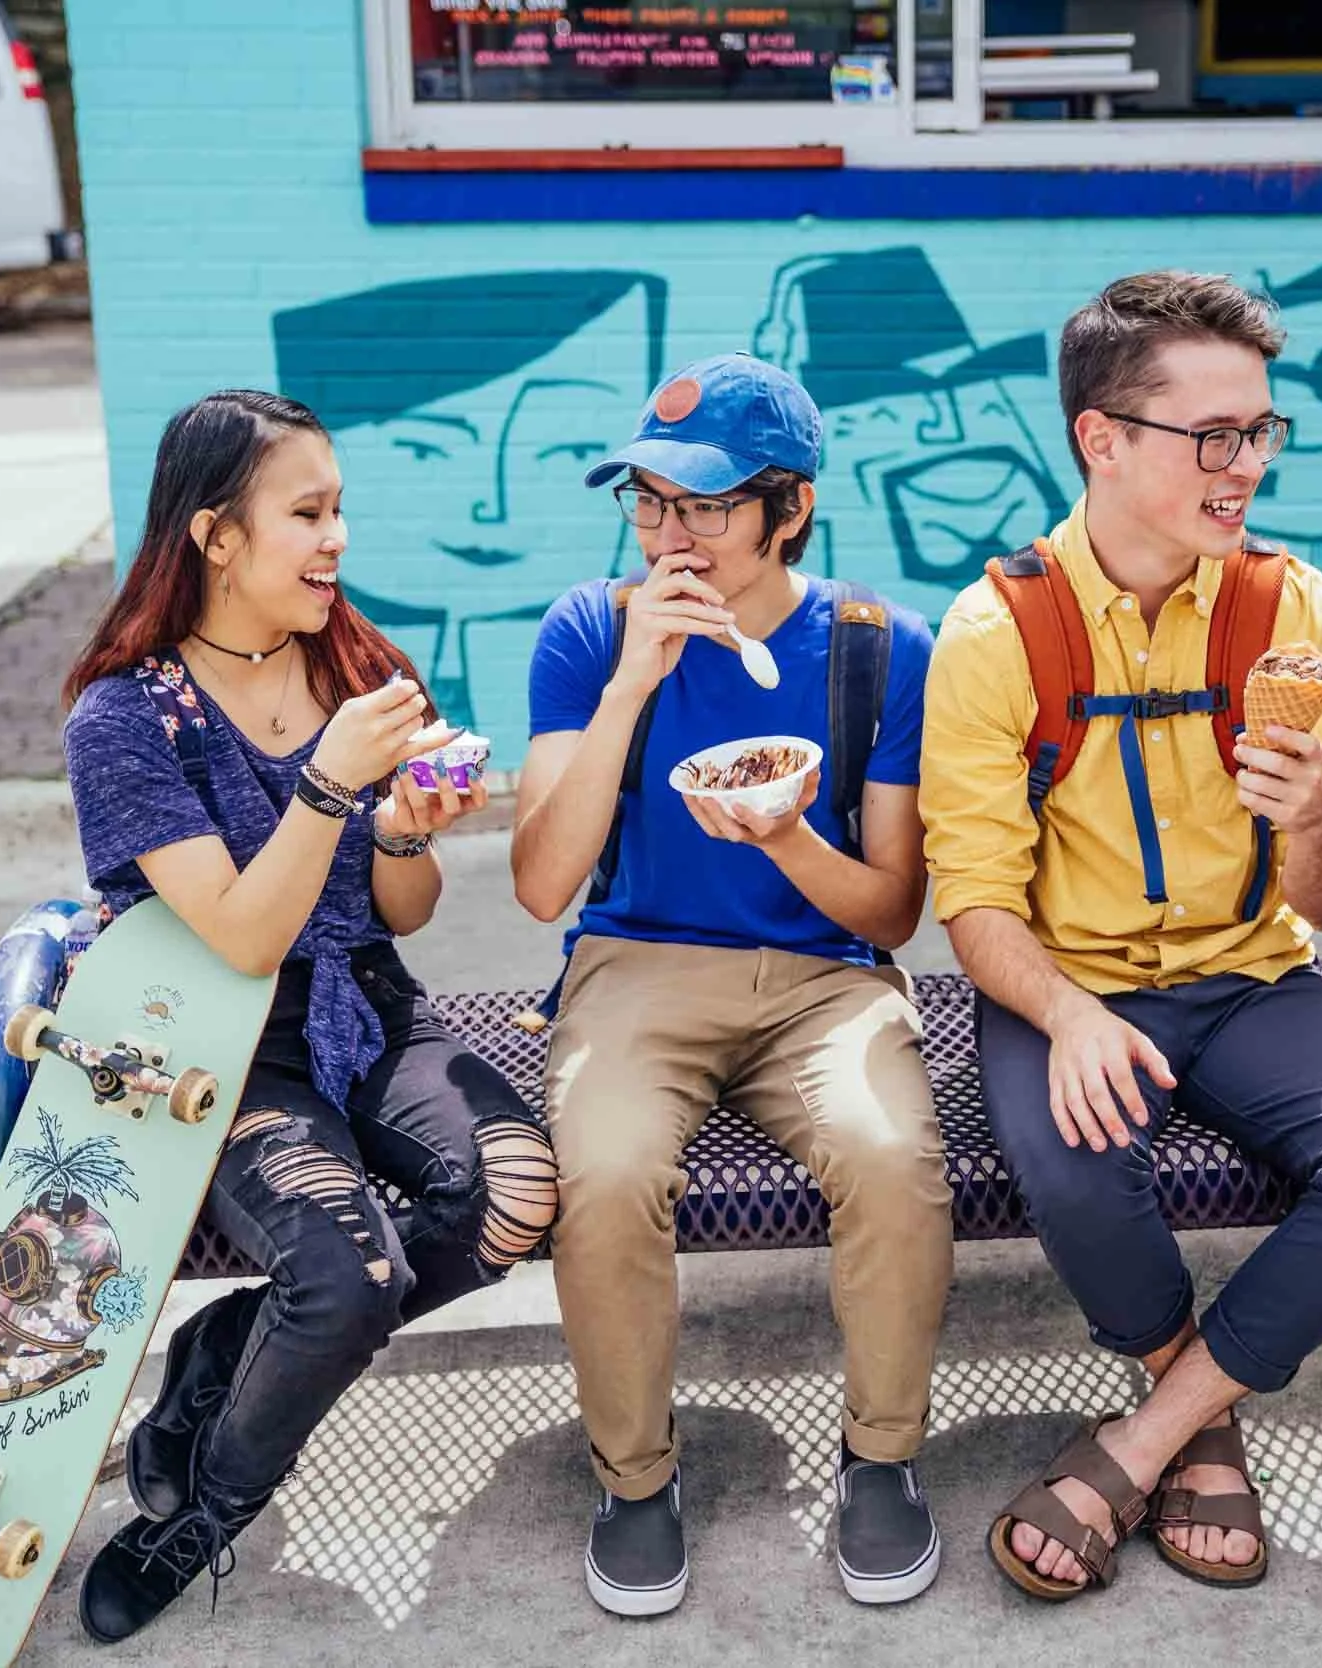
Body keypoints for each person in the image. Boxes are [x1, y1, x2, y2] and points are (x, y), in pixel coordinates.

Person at [920, 271, 1322, 1601]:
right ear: (1102, 438)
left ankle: (1148, 1438)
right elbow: (973, 900)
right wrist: (1067, 1017)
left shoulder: (1296, 612)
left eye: (1260, 431)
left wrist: (1315, 822)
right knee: (1075, 1167)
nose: (1247, 466)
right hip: (1073, 986)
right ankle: (1201, 1418)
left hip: (1253, 977)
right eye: (1213, 437)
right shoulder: (998, 630)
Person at [59, 389, 559, 1642]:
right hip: (220, 1043)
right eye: (308, 513)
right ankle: (203, 1511)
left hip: (368, 1010)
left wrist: (405, 832)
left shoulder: (363, 671)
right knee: (345, 1274)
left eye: (339, 511)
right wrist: (331, 784)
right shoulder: (125, 719)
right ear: (217, 536)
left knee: (515, 1191)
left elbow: (402, 913)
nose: (337, 539)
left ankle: (228, 1344)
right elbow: (239, 936)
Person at [509, 353, 952, 1616]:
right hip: (637, 966)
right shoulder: (590, 630)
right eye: (649, 501)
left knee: (890, 1161)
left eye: (705, 506)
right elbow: (541, 884)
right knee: (602, 1175)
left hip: (826, 980)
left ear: (790, 507)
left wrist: (785, 838)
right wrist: (632, 684)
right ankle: (634, 1479)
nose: (670, 536)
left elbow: (893, 911)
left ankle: (880, 1459)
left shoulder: (877, 648)